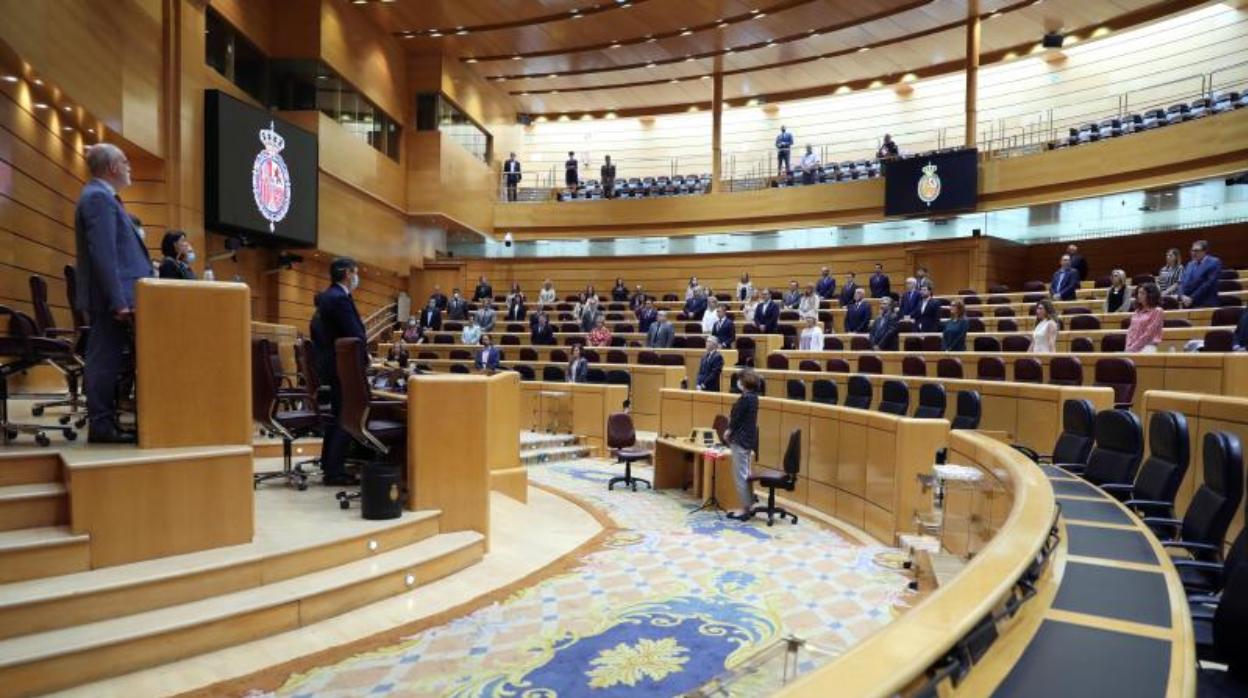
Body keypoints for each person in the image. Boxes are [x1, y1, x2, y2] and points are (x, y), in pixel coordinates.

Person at [73, 143, 152, 443]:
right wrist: (118, 301)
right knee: (104, 359)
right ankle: (102, 426)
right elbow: (104, 254)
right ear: (113, 167)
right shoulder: (98, 198)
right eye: (126, 162)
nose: (130, 167)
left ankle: (106, 422)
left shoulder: (102, 197)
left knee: (108, 359)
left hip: (117, 297)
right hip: (111, 300)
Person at [309, 257, 366, 484]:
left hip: (330, 365)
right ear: (347, 274)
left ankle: (329, 463)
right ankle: (335, 472)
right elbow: (355, 336)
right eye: (356, 272)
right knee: (347, 415)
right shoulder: (339, 299)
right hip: (342, 367)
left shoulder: (327, 297)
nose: (356, 277)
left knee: (338, 414)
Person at [723, 369, 760, 520]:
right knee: (745, 473)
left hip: (740, 440)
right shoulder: (754, 397)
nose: (737, 383)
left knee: (741, 476)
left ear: (743, 382)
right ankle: (749, 504)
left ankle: (745, 509)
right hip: (748, 439)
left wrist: (728, 432)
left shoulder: (745, 399)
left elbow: (736, 419)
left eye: (739, 380)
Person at [1180, 240, 1223, 308]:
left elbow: (1208, 284)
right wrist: (1182, 296)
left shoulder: (1214, 262)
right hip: (1187, 303)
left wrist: (1192, 298)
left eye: (1196, 250)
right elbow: (1182, 282)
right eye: (1192, 250)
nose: (1193, 253)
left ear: (1204, 251)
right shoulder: (1190, 264)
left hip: (1205, 303)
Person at [1125, 283, 1164, 353]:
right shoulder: (1137, 311)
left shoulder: (1157, 311)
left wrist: (1134, 348)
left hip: (1148, 346)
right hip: (1131, 346)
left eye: (1142, 293)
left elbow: (1148, 334)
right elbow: (1130, 331)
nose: (1139, 296)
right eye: (1138, 293)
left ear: (1151, 295)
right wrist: (1128, 345)